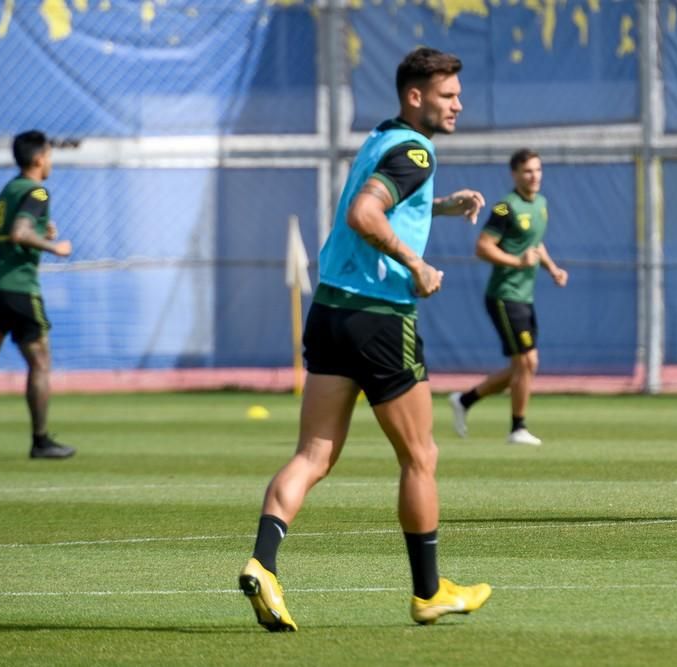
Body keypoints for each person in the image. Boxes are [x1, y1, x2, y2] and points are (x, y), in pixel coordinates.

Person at [238, 47, 491, 632]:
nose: (459, 104)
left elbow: (385, 203)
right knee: (420, 456)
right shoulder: (415, 149)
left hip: (329, 310)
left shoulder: (383, 137)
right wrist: (417, 265)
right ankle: (429, 592)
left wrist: (441, 207)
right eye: (448, 95)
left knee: (313, 455)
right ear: (415, 96)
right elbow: (363, 213)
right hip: (380, 320)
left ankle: (263, 563)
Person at [448, 149, 568, 446]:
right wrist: (518, 262)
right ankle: (518, 428)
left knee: (523, 366)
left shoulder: (541, 204)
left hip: (524, 296)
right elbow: (482, 246)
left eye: (538, 170)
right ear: (514, 174)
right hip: (504, 295)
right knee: (528, 361)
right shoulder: (505, 207)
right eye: (527, 171)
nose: (534, 176)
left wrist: (552, 268)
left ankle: (465, 399)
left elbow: (535, 244)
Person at [0, 130, 76, 459]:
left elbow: (13, 228)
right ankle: (41, 441)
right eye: (50, 155)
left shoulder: (9, 189)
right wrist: (53, 245)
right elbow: (19, 232)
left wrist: (43, 229)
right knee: (40, 362)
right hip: (18, 288)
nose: (51, 162)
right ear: (39, 158)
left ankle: (42, 440)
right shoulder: (37, 192)